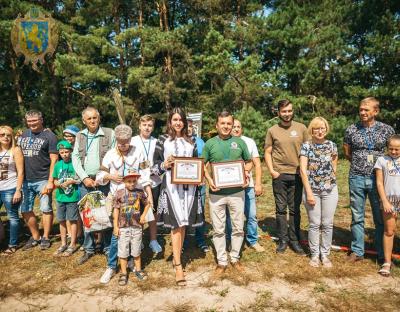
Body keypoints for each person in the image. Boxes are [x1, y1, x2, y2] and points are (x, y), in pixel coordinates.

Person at [153, 107, 204, 286]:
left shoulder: (192, 142)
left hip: (189, 189)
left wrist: (200, 176)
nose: (178, 122)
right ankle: (178, 264)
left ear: (185, 122)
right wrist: (164, 164)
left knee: (183, 224)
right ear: (170, 121)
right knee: (176, 224)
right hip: (172, 188)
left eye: (180, 119)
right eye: (174, 119)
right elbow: (154, 166)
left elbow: (197, 163)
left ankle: (178, 254)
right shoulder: (162, 140)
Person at [96, 124, 152, 284]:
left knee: (136, 231)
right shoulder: (110, 155)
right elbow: (99, 175)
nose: (123, 145)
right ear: (116, 140)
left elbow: (146, 172)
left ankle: (133, 263)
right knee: (117, 233)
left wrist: (147, 191)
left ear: (130, 139)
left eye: (125, 142)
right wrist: (110, 177)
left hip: (135, 197)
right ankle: (111, 266)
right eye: (120, 142)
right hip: (117, 197)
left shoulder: (138, 152)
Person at [344, 97, 395, 263]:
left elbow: (393, 152)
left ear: (376, 111)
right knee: (357, 216)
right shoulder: (351, 129)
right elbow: (347, 152)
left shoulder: (387, 130)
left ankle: (381, 253)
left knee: (379, 217)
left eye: (366, 110)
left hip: (378, 180)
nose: (363, 112)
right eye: (361, 109)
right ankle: (357, 251)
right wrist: (361, 165)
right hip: (356, 177)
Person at [203, 110, 252, 275]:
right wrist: (209, 180)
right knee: (218, 228)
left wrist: (245, 173)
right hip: (216, 193)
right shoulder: (209, 143)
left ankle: (235, 257)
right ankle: (222, 261)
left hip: (237, 192)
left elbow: (249, 162)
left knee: (238, 227)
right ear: (217, 125)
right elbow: (202, 165)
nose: (226, 126)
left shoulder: (240, 142)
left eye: (229, 123)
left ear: (232, 125)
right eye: (222, 123)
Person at [72, 106, 115, 264]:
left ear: (99, 118)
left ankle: (108, 247)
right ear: (84, 120)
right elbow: (75, 158)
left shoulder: (110, 133)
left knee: (107, 214)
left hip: (104, 180)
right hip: (85, 182)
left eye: (94, 118)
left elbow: (113, 156)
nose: (92, 121)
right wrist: (84, 178)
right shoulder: (80, 135)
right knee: (87, 216)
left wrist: (101, 177)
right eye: (88, 118)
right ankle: (89, 248)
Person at [264, 99, 308, 255]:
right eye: (284, 111)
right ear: (278, 113)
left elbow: (308, 151)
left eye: (289, 111)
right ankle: (283, 240)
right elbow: (268, 152)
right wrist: (272, 171)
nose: (287, 114)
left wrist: (305, 171)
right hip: (280, 174)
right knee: (281, 210)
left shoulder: (302, 128)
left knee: (295, 209)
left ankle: (295, 240)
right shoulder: (272, 130)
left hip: (297, 175)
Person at [300, 117, 338, 267]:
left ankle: (325, 254)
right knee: (315, 224)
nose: (320, 131)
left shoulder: (332, 145)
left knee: (327, 223)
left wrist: (329, 180)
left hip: (330, 190)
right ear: (312, 130)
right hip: (312, 190)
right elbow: (303, 170)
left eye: (322, 128)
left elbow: (334, 164)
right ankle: (315, 255)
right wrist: (309, 192)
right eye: (316, 128)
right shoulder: (306, 146)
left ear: (326, 129)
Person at [18, 110, 58, 250]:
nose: (32, 123)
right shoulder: (23, 134)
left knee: (46, 208)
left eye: (35, 120)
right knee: (25, 209)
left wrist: (50, 180)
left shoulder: (50, 136)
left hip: (43, 178)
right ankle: (35, 237)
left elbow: (54, 160)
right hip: (25, 180)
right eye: (29, 121)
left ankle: (46, 237)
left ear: (41, 120)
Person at [230, 118, 265, 252]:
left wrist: (258, 184)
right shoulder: (224, 142)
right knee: (230, 216)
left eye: (239, 126)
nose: (236, 129)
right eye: (234, 126)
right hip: (231, 187)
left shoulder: (249, 142)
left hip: (248, 186)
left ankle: (253, 240)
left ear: (242, 129)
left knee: (251, 215)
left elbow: (257, 164)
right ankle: (230, 240)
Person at [130, 115, 162, 254]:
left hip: (154, 181)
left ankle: (153, 240)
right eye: (144, 125)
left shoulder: (157, 142)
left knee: (152, 212)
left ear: (153, 127)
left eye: (150, 125)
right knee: (137, 212)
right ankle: (139, 239)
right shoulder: (132, 141)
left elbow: (161, 160)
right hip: (137, 183)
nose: (147, 127)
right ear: (139, 126)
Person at [113, 171, 151, 285]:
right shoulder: (119, 193)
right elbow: (116, 210)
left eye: (134, 181)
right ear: (124, 181)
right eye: (129, 181)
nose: (132, 184)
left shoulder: (140, 193)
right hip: (123, 227)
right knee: (123, 251)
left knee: (136, 250)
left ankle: (138, 270)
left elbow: (148, 203)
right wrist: (115, 226)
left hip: (136, 227)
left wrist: (143, 215)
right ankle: (124, 273)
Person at [375, 134, 400, 276]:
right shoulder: (381, 160)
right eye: (391, 149)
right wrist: (384, 201)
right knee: (389, 231)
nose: (394, 152)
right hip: (389, 200)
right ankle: (387, 262)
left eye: (397, 149)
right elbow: (379, 182)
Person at [53, 140, 80, 257]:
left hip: (72, 197)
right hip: (60, 197)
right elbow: (54, 179)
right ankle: (63, 243)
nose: (64, 154)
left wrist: (70, 181)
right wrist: (58, 184)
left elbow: (79, 178)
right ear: (59, 153)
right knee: (61, 220)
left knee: (72, 220)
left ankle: (73, 243)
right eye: (62, 152)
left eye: (66, 151)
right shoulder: (57, 165)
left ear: (71, 151)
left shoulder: (75, 163)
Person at [186, 118, 208, 252]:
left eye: (191, 126)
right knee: (184, 213)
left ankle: (200, 239)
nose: (189, 129)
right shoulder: (178, 142)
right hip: (183, 185)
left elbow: (205, 162)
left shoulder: (200, 142)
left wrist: (203, 177)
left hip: (199, 183)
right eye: (186, 126)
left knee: (200, 211)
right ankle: (184, 241)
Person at [0, 126, 24, 255]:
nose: (5, 137)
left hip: (10, 188)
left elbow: (20, 172)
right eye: (2, 134)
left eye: (8, 135)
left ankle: (12, 244)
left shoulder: (15, 150)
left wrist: (18, 190)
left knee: (13, 217)